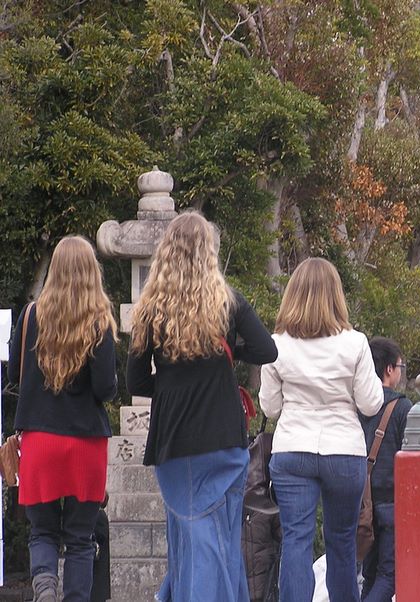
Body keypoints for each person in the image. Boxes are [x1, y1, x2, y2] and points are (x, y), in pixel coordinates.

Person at [127, 212, 278, 602]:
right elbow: (267, 349)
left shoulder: (149, 311)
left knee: (194, 541)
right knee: (223, 543)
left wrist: (174, 381)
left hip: (176, 440)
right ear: (208, 253)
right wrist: (226, 357)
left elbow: (137, 382)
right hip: (226, 437)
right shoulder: (228, 302)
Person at [259, 257, 384, 602]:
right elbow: (372, 403)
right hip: (344, 451)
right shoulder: (355, 343)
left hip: (293, 449)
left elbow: (270, 407)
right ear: (336, 295)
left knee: (296, 539)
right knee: (342, 541)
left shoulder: (277, 344)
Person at [8, 236, 118, 602]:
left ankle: (43, 586)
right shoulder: (99, 321)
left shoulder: (30, 316)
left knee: (42, 532)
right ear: (92, 274)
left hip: (40, 439)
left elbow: (14, 379)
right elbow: (105, 389)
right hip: (85, 443)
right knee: (80, 539)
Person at [359, 337, 413, 602]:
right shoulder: (402, 407)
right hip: (392, 504)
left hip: (362, 502)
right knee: (388, 577)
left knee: (369, 576)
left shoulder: (356, 404)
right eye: (400, 367)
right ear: (389, 369)